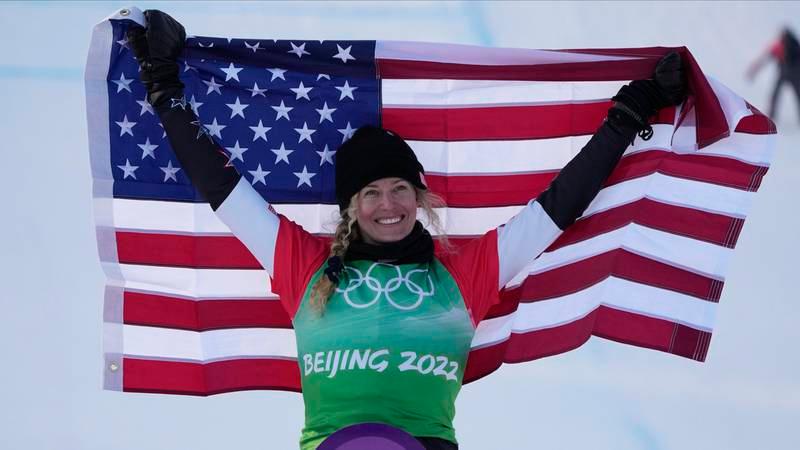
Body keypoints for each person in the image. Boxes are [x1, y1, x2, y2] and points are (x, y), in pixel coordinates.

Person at [127, 10, 685, 450]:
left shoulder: (464, 276)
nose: (387, 205)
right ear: (350, 208)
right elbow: (225, 191)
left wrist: (626, 118)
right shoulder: (307, 269)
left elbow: (558, 206)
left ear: (421, 198)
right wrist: (165, 93)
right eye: (370, 193)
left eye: (399, 190)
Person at [747, 26, 800, 122]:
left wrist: (753, 71)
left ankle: (772, 116)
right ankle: (772, 116)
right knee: (798, 95)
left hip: (784, 73)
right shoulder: (795, 45)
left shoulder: (780, 45)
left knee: (775, 94)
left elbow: (765, 59)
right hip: (794, 74)